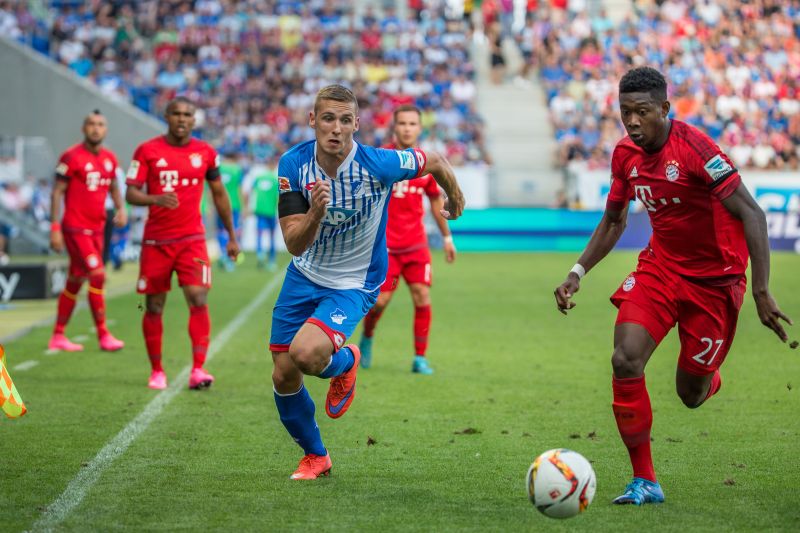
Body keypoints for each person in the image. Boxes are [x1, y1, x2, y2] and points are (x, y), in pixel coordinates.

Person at [554, 67, 792, 506]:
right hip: (660, 270)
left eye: (642, 112)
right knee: (624, 358)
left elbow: (753, 215)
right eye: (626, 113)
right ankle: (645, 480)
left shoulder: (697, 149)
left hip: (715, 283)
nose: (633, 123)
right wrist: (577, 272)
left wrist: (761, 292)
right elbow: (613, 220)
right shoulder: (625, 154)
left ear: (665, 108)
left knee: (691, 395)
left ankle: (707, 375)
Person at [270, 85, 464, 480]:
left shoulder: (379, 164)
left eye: (345, 120)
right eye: (328, 118)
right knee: (283, 373)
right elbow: (293, 243)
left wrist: (454, 196)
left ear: (357, 124)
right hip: (303, 273)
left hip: (354, 282)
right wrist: (315, 214)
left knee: (306, 355)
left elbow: (436, 161)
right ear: (312, 121)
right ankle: (316, 456)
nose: (336, 129)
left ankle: (346, 361)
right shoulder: (292, 165)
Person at [125, 97, 240, 390]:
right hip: (156, 241)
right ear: (166, 116)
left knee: (199, 298)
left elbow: (219, 194)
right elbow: (130, 193)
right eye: (176, 113)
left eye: (187, 114)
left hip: (192, 240)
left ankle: (199, 369)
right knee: (154, 305)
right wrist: (154, 199)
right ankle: (157, 371)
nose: (181, 119)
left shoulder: (205, 152)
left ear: (194, 120)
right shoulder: (147, 150)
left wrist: (231, 235)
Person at [358, 105, 457, 374]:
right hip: (386, 247)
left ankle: (419, 358)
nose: (407, 128)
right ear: (395, 127)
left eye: (412, 124)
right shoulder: (383, 158)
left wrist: (447, 238)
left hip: (416, 245)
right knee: (380, 301)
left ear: (419, 128)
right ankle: (367, 336)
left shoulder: (426, 162)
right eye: (402, 123)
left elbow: (437, 202)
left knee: (422, 296)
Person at [48, 110, 127, 352]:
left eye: (100, 124)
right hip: (75, 227)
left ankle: (58, 335)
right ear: (84, 129)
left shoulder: (110, 159)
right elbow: (57, 192)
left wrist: (121, 208)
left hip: (98, 227)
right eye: (91, 124)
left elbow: (113, 186)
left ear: (106, 130)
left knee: (75, 280)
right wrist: (55, 228)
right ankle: (103, 334)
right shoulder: (71, 156)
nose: (95, 128)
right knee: (98, 274)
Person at [243, 156, 279, 271]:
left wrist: (248, 207)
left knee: (259, 234)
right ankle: (271, 261)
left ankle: (260, 254)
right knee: (272, 236)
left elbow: (249, 191)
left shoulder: (258, 178)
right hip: (271, 212)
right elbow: (280, 198)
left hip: (259, 210)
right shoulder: (276, 179)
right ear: (273, 166)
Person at [216, 152, 244, 272]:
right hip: (234, 205)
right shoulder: (237, 169)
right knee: (232, 231)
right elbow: (240, 189)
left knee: (220, 230)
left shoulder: (219, 169)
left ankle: (222, 253)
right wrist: (243, 206)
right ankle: (230, 259)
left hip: (220, 205)